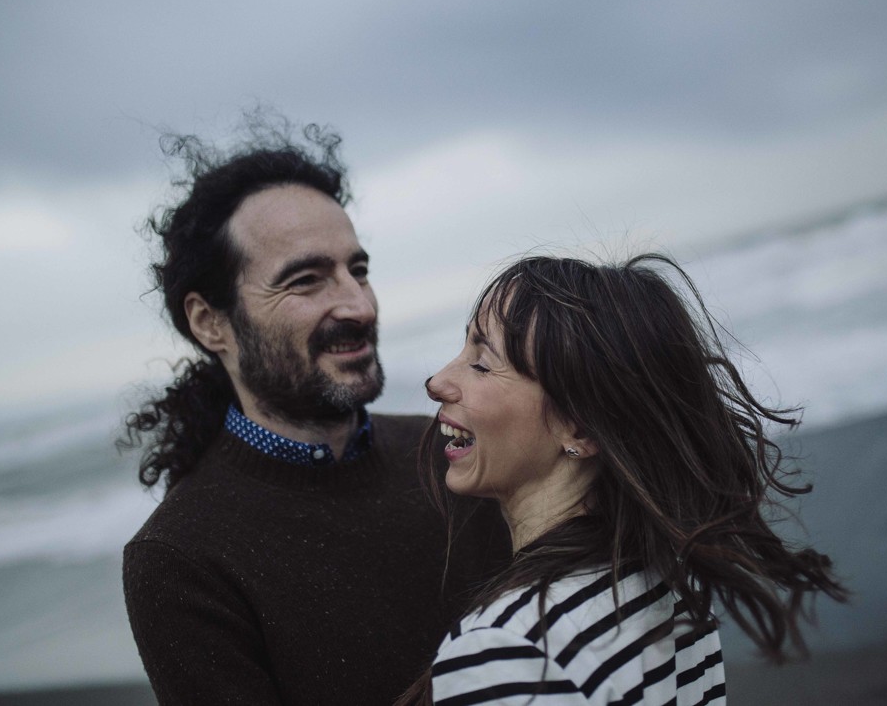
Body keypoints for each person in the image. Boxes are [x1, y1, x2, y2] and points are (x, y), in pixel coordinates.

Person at [120, 118, 509, 706]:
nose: (356, 304)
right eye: (306, 281)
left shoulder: (450, 451)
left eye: (358, 270)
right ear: (211, 323)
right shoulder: (180, 559)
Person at [406, 253, 848, 705]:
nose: (438, 380)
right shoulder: (668, 582)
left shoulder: (507, 648)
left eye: (481, 363)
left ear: (579, 427)